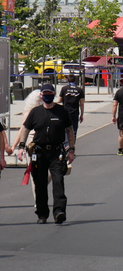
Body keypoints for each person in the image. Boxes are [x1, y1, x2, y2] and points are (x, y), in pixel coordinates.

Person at [14, 84, 76, 224]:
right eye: (45, 93)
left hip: (56, 152)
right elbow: (25, 129)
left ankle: (59, 211)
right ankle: (42, 214)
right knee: (40, 183)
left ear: (54, 94)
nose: (47, 95)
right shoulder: (35, 112)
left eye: (50, 93)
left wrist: (71, 150)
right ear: (41, 96)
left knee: (58, 181)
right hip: (39, 152)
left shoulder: (62, 111)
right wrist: (21, 147)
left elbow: (69, 130)